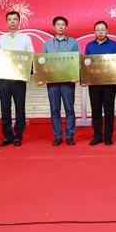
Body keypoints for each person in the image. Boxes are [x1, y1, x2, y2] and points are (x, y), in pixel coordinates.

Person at [0, 11, 34, 147]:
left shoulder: (26, 38)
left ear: (19, 21)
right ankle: (7, 136)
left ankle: (18, 134)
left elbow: (30, 56)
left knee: (20, 107)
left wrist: (29, 73)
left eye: (15, 19)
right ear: (7, 22)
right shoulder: (0, 38)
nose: (12, 22)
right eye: (10, 19)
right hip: (3, 78)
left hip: (19, 79)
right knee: (5, 109)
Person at [42, 16, 79, 146]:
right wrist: (42, 78)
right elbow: (43, 63)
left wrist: (76, 76)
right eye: (58, 24)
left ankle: (70, 135)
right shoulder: (47, 44)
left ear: (66, 27)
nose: (61, 26)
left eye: (63, 24)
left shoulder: (73, 42)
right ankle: (57, 136)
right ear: (54, 27)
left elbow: (77, 62)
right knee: (54, 110)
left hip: (68, 82)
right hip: (52, 83)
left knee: (70, 109)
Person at [84, 20, 116, 145]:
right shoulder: (89, 46)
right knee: (96, 112)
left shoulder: (114, 45)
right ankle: (97, 136)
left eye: (102, 30)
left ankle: (108, 136)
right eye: (98, 30)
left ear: (107, 31)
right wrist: (84, 79)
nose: (100, 32)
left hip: (109, 84)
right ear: (94, 32)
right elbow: (86, 65)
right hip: (94, 84)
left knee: (109, 111)